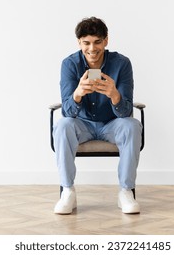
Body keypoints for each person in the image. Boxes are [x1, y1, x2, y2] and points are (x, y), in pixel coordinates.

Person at [53, 17, 142, 214]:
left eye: (97, 42)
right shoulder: (69, 64)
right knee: (62, 124)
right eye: (86, 43)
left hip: (112, 124)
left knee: (132, 125)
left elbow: (126, 111)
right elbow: (67, 112)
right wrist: (77, 94)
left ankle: (126, 192)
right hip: (81, 124)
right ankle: (67, 191)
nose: (92, 48)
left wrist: (114, 95)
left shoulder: (122, 64)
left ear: (106, 41)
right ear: (79, 43)